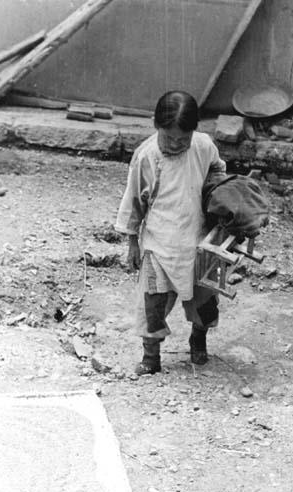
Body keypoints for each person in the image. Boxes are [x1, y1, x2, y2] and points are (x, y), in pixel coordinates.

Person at [115, 90, 226, 375]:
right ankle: (151, 356)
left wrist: (221, 199)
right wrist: (132, 243)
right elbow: (133, 201)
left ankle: (198, 339)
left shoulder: (203, 147)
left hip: (200, 238)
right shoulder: (147, 156)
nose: (176, 144)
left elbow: (217, 173)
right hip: (160, 244)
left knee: (205, 300)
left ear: (195, 131)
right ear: (156, 126)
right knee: (152, 303)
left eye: (183, 139)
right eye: (169, 137)